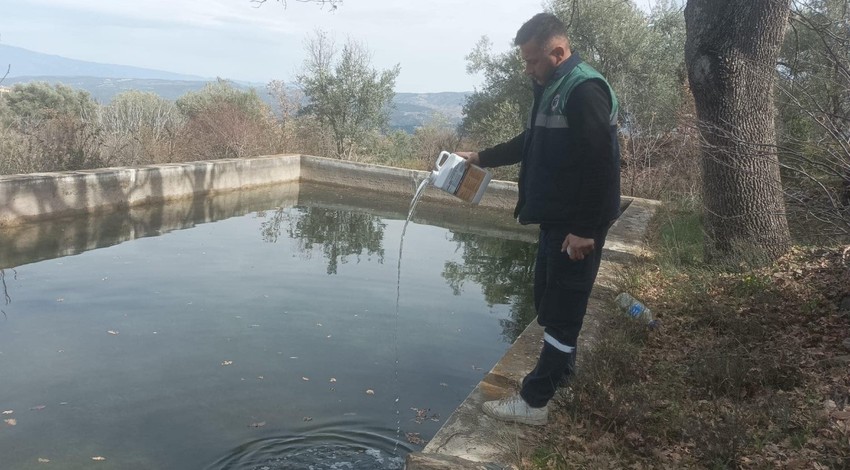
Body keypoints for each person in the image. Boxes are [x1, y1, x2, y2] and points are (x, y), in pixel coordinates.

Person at [456, 12, 621, 426]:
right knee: (549, 302)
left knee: (564, 309)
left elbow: (601, 164)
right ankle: (563, 379)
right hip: (556, 220)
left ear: (558, 51)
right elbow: (532, 140)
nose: (528, 69)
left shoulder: (584, 90)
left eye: (532, 61)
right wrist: (479, 157)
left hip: (575, 226)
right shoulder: (554, 87)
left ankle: (534, 403)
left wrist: (584, 229)